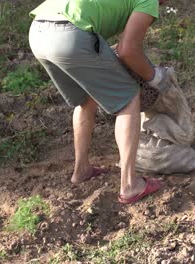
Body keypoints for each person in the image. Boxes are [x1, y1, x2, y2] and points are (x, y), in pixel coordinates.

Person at [29, 0, 169, 204]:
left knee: (85, 99)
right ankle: (130, 185)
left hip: (39, 32)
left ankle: (81, 170)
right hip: (70, 34)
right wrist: (155, 77)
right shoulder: (149, 1)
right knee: (130, 98)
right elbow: (127, 49)